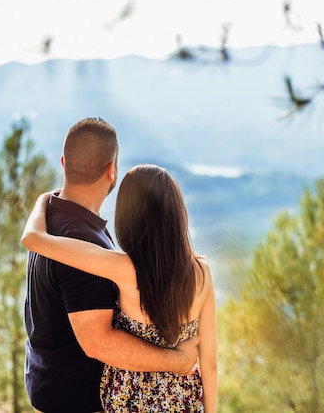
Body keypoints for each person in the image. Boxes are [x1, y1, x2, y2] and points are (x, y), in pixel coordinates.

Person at [22, 118, 199, 413]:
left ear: (63, 163)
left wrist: (43, 199)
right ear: (111, 170)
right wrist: (178, 360)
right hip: (76, 401)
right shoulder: (83, 244)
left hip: (47, 386)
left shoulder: (51, 217)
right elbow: (98, 342)